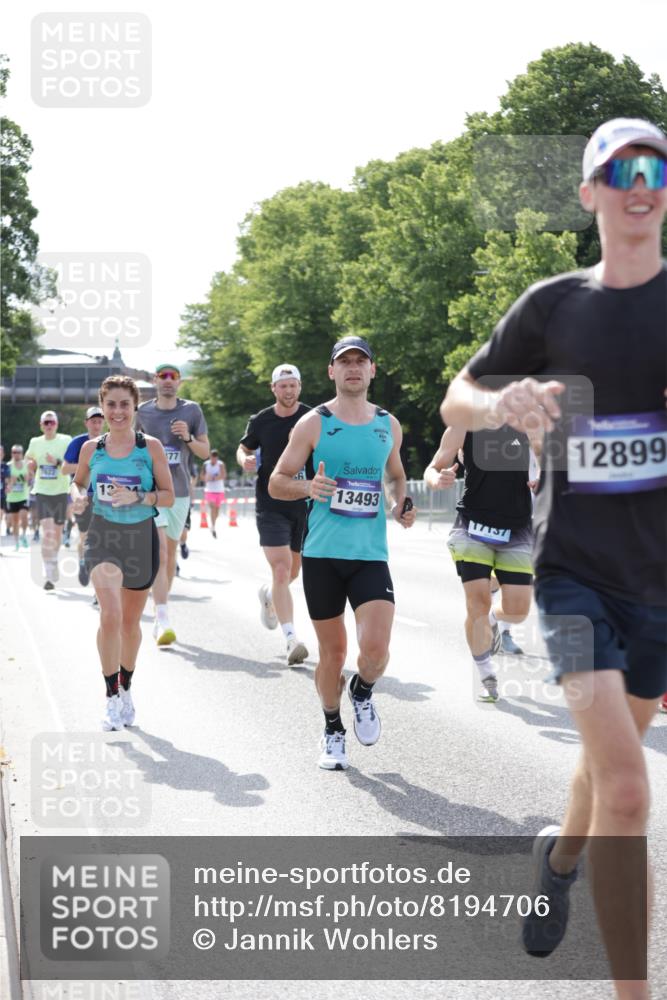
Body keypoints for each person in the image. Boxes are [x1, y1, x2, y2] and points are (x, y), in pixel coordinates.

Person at [440, 118, 667, 999]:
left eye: (654, 166)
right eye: (618, 169)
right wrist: (503, 404)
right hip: (571, 576)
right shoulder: (552, 304)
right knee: (627, 790)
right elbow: (458, 396)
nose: (638, 182)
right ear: (589, 193)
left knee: (610, 774)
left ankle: (560, 856)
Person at [270, 337, 417, 770]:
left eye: (361, 361)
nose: (353, 368)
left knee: (375, 651)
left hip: (370, 554)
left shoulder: (388, 424)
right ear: (332, 372)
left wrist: (400, 504)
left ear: (373, 371)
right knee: (332, 655)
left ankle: (363, 692)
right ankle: (333, 727)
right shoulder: (314, 423)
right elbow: (277, 481)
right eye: (344, 362)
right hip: (322, 555)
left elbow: (396, 476)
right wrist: (307, 487)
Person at [71, 375, 174, 731]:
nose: (117, 411)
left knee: (130, 624)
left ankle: (126, 687)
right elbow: (78, 482)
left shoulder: (151, 448)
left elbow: (168, 496)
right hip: (103, 535)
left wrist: (139, 497)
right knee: (111, 616)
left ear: (134, 407)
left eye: (124, 405)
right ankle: (111, 697)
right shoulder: (91, 449)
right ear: (103, 406)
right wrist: (77, 496)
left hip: (140, 538)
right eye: (111, 404)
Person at [424, 424, 537, 702]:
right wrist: (437, 479)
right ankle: (486, 672)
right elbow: (433, 467)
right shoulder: (464, 425)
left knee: (518, 609)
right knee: (477, 602)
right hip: (473, 525)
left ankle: (494, 619)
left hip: (517, 527)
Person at [237, 364, 311, 666]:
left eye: (293, 385)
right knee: (282, 570)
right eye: (283, 386)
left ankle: (269, 595)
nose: (289, 391)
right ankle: (291, 638)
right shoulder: (261, 420)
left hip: (304, 505)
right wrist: (246, 460)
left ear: (300, 387)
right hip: (270, 504)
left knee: (293, 572)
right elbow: (243, 448)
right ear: (274, 389)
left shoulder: (312, 418)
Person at [135, 363, 210, 645]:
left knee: (170, 552)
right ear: (155, 381)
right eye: (162, 376)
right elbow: (130, 445)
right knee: (161, 555)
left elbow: (203, 450)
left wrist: (187, 437)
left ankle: (160, 608)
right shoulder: (143, 412)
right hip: (153, 492)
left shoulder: (191, 410)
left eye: (173, 377)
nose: (167, 381)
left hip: (179, 492)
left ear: (179, 382)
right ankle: (163, 617)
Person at [25, 411, 72, 590]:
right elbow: (30, 459)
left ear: (57, 424)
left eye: (52, 422)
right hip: (42, 492)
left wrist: (57, 462)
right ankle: (49, 570)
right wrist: (31, 465)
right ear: (41, 425)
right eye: (46, 423)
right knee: (48, 532)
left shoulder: (66, 440)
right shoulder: (35, 442)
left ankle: (53, 560)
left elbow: (71, 463)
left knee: (57, 535)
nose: (49, 425)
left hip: (61, 491)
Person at [62, 406, 106, 586]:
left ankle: (99, 588)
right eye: (93, 421)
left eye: (99, 421)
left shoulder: (110, 442)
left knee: (102, 542)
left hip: (104, 498)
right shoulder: (77, 442)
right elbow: (65, 468)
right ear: (86, 423)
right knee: (85, 538)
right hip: (82, 497)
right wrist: (87, 466)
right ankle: (82, 562)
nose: (96, 425)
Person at [6, 445, 30, 549]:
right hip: (12, 497)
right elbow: (5, 481)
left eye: (18, 452)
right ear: (11, 453)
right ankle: (16, 542)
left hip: (23, 496)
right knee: (15, 521)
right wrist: (11, 482)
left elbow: (31, 479)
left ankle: (24, 535)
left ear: (22, 453)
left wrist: (28, 478)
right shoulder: (8, 466)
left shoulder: (26, 465)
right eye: (14, 452)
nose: (16, 454)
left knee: (24, 516)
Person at [202, 449, 227, 538]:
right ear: (210, 457)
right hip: (209, 490)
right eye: (212, 457)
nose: (214, 460)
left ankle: (213, 524)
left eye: (215, 458)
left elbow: (223, 475)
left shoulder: (220, 464)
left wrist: (212, 478)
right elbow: (202, 476)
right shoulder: (206, 464)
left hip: (219, 490)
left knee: (217, 510)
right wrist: (206, 478)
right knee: (212, 508)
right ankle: (212, 527)